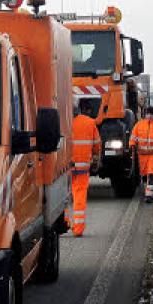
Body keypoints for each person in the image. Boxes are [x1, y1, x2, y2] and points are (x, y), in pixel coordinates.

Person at [68, 99, 100, 236]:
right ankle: (78, 228)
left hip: (65, 169)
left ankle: (64, 223)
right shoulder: (90, 122)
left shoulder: (63, 123)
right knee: (79, 196)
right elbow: (97, 145)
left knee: (62, 198)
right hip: (82, 168)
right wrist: (95, 158)